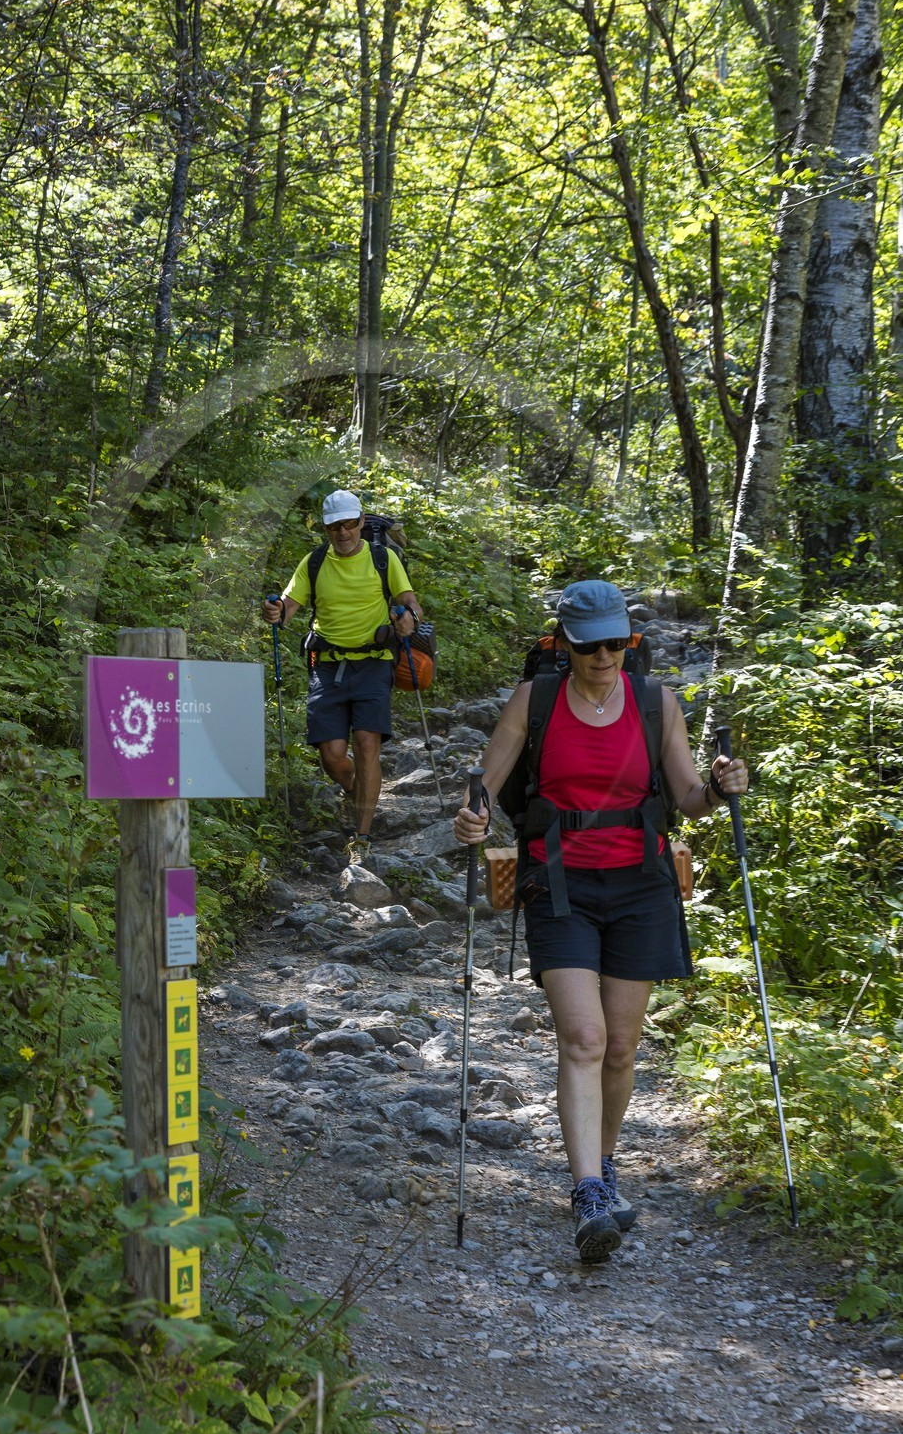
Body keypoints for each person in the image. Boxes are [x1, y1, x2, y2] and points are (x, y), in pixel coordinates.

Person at [453, 579, 748, 1264]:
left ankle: (606, 1165)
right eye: (591, 646)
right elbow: (482, 788)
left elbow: (688, 798)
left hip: (642, 886)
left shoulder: (655, 703)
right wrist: (469, 817)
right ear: (564, 645)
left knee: (620, 1045)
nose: (605, 655)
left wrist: (720, 787)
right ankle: (587, 1191)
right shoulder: (537, 700)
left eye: (617, 643)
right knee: (582, 1037)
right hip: (558, 883)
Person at [263, 490, 423, 859]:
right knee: (332, 756)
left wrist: (408, 620)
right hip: (328, 664)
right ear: (326, 528)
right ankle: (358, 792)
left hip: (376, 660)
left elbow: (410, 602)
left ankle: (362, 837)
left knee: (367, 744)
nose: (344, 532)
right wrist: (275, 613)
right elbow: (288, 608)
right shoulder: (314, 563)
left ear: (362, 523)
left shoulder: (384, 558)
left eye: (350, 524)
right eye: (335, 526)